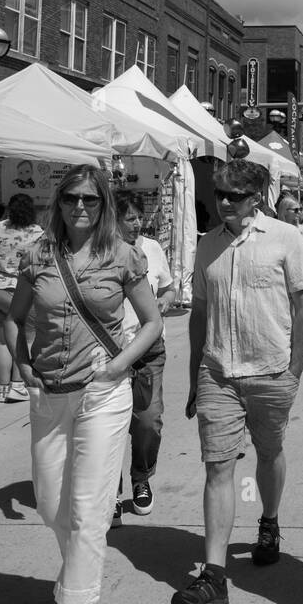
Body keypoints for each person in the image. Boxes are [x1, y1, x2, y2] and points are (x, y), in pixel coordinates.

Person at [4, 166, 162, 604]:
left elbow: (153, 322)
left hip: (102, 392)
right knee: (51, 503)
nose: (80, 208)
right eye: (71, 198)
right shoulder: (36, 254)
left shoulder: (123, 254)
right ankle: (76, 572)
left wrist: (120, 365)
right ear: (59, 202)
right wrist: (22, 361)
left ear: (104, 205)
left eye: (91, 200)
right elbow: (14, 316)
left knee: (90, 508)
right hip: (48, 392)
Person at [172, 160, 303, 604]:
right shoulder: (207, 245)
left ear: (256, 197)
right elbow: (199, 311)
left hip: (270, 370)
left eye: (234, 195)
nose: (224, 202)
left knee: (269, 453)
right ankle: (213, 576)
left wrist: (294, 368)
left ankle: (269, 522)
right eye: (220, 194)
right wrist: (196, 372)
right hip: (217, 371)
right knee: (217, 466)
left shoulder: (285, 238)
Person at [111, 191, 175, 525]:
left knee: (148, 421)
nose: (137, 224)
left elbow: (168, 287)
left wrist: (163, 301)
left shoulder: (151, 248)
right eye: (129, 219)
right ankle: (110, 490)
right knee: (110, 425)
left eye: (139, 218)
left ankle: (141, 478)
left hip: (148, 350)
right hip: (108, 352)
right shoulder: (100, 252)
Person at [0, 195, 45, 402]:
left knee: (0, 342)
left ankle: (2, 389)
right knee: (23, 340)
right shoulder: (36, 232)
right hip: (17, 292)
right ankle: (18, 386)